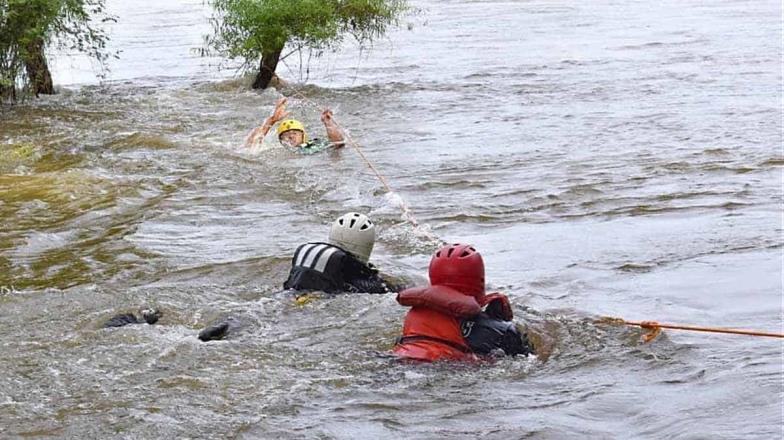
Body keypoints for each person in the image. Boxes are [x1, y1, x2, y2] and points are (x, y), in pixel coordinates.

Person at [198, 212, 401, 342]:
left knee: (263, 311)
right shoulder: (351, 266)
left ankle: (228, 324)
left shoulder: (309, 250)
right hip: (312, 301)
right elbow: (378, 289)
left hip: (286, 294)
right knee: (274, 320)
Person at [393, 243, 534, 362]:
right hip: (453, 374)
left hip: (400, 362)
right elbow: (529, 361)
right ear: (479, 278)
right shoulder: (498, 329)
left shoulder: (415, 314)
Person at [244, 97, 345, 154]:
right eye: (286, 135)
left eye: (295, 133)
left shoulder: (314, 145)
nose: (291, 136)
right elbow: (251, 147)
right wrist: (272, 120)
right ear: (281, 140)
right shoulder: (278, 152)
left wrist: (328, 123)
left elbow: (338, 143)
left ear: (303, 136)